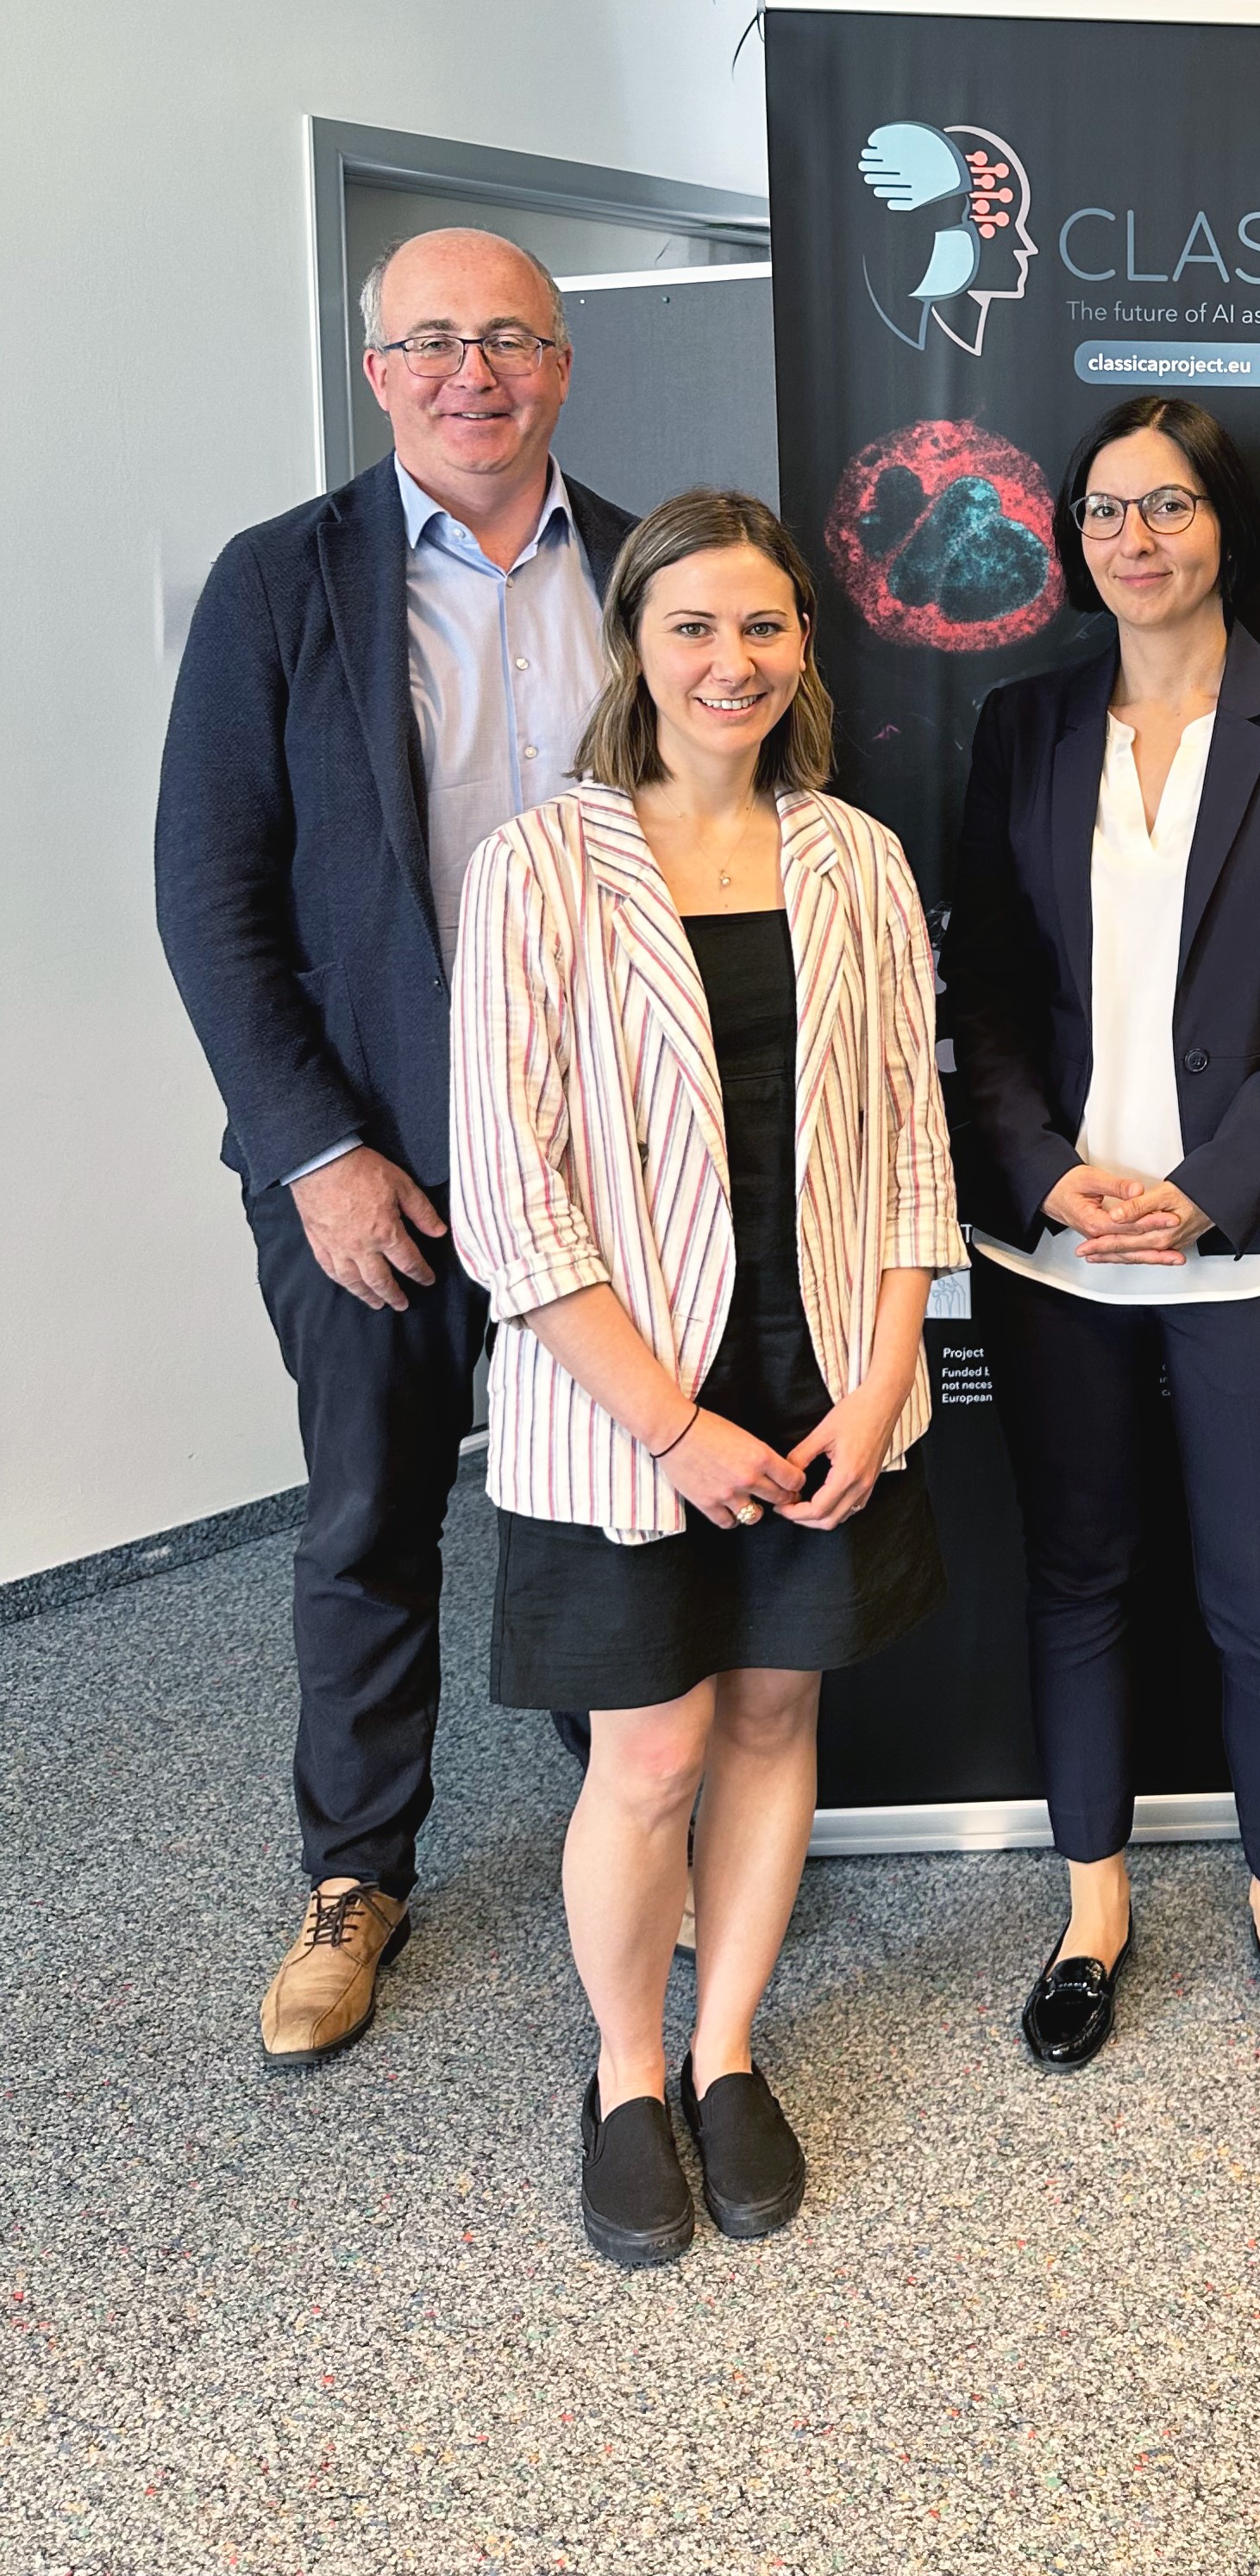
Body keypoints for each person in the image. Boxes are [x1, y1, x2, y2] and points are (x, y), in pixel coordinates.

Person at [449, 487, 959, 2266]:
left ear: (804, 644)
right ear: (635, 648)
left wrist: (882, 1381)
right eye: (692, 627)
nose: (729, 660)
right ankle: (625, 2074)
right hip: (626, 1405)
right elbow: (510, 1201)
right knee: (650, 1751)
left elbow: (910, 1146)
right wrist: (669, 1425)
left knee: (769, 1720)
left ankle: (727, 2047)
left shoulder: (856, 859)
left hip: (821, 1381)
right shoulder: (538, 867)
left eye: (762, 625)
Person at [156, 229, 636, 2066]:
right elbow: (211, 896)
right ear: (378, 373)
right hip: (375, 1171)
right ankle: (356, 1873)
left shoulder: (649, 569)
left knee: (603, 1503)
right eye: (431, 341)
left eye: (507, 338)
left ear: (562, 363)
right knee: (368, 1517)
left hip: (599, 1159)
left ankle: (631, 1824)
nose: (470, 373)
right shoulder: (279, 581)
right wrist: (316, 1154)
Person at [947, 396, 1260, 2073]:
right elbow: (984, 986)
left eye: (1167, 506)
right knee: (1077, 1579)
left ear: (1225, 523)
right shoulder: (1023, 726)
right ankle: (1093, 1915)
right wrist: (1042, 1168)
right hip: (1055, 1248)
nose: (1133, 539)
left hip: (1259, 1243)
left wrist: (1209, 1186)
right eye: (1103, 512)